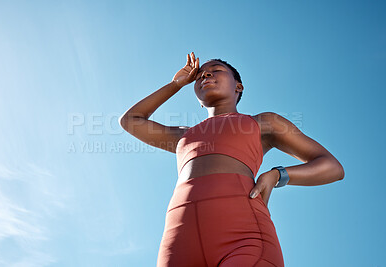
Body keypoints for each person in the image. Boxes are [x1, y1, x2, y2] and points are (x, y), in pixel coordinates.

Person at [120, 52, 345, 267]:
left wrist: (277, 175)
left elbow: (332, 167)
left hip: (244, 235)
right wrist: (176, 84)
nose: (205, 75)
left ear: (239, 87)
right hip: (178, 239)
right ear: (198, 100)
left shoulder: (263, 123)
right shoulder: (183, 135)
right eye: (200, 75)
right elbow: (130, 120)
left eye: (216, 70)